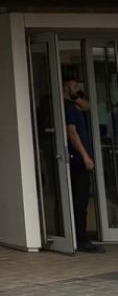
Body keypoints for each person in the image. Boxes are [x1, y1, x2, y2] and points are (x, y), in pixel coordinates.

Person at [64, 77, 103, 253]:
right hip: (77, 161)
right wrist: (85, 156)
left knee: (83, 199)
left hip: (80, 160)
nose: (77, 88)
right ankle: (80, 238)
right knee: (79, 200)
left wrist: (75, 95)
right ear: (65, 87)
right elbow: (71, 133)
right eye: (74, 85)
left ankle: (80, 235)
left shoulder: (76, 106)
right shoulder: (69, 109)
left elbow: (88, 106)